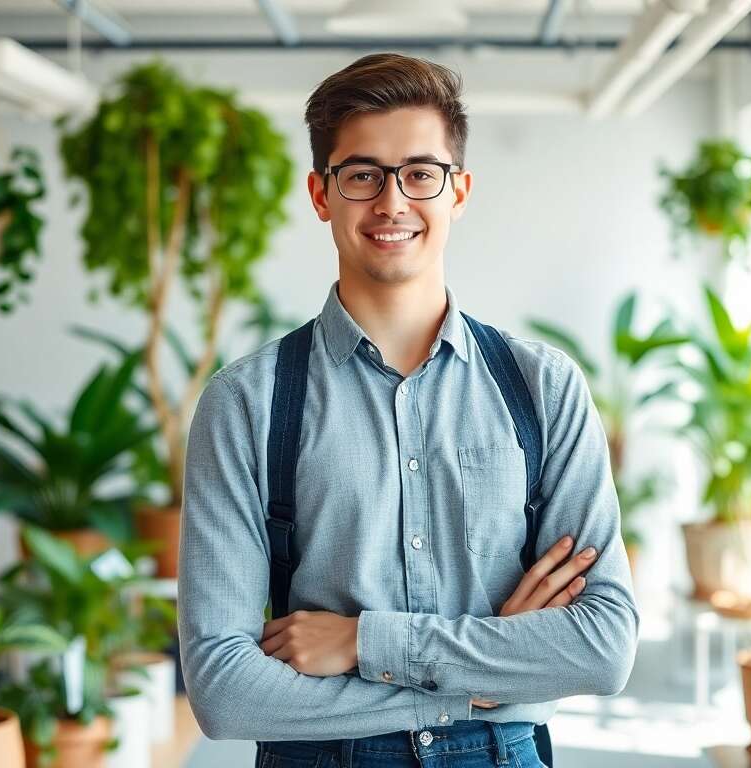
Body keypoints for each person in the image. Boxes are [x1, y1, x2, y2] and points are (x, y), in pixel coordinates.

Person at [178, 52, 639, 768]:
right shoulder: (246, 402)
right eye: (362, 174)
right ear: (321, 193)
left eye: (420, 173)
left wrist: (364, 644)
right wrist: (484, 682)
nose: (392, 202)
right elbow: (225, 693)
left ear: (459, 191)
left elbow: (604, 646)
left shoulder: (543, 388)